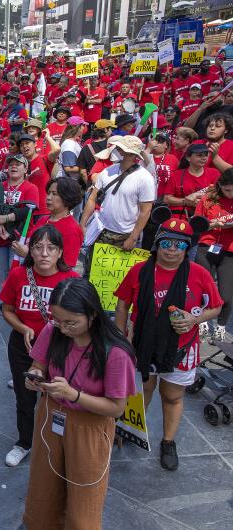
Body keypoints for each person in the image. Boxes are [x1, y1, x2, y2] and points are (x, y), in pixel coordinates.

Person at [23, 278, 136, 530]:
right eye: (58, 320)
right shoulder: (54, 330)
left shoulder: (115, 352)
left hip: (89, 429)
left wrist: (74, 395)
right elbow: (37, 364)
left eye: (71, 322)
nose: (63, 328)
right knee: (48, 485)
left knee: (85, 500)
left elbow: (116, 407)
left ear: (92, 314)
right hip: (51, 418)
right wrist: (35, 377)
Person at [115, 213, 222, 471]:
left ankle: (168, 441)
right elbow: (122, 304)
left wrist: (194, 318)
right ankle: (130, 429)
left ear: (188, 247)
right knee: (142, 390)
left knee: (172, 395)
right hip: (143, 344)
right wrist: (120, 338)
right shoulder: (140, 271)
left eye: (179, 244)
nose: (172, 250)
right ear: (157, 243)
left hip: (182, 347)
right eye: (166, 243)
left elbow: (216, 307)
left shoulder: (199, 273)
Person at [0, 226, 78, 468]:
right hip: (23, 346)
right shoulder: (18, 275)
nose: (44, 253)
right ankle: (24, 442)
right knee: (24, 396)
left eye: (51, 248)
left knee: (57, 396)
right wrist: (23, 328)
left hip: (60, 349)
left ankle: (57, 442)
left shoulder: (72, 280)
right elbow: (7, 310)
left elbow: (82, 317)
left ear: (60, 252)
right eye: (38, 247)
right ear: (30, 251)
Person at [80, 136, 155, 255]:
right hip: (100, 230)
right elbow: (92, 199)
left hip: (125, 234)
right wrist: (83, 224)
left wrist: (133, 238)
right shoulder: (108, 171)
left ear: (130, 154)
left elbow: (145, 211)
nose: (117, 151)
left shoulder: (145, 178)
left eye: (120, 148)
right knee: (92, 271)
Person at [0, 154, 41, 277]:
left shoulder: (31, 188)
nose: (13, 166)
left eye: (18, 164)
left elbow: (27, 210)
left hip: (19, 238)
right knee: (5, 272)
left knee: (15, 272)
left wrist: (6, 218)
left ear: (25, 169)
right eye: (11, 164)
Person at [194, 168, 233, 343]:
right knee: (202, 288)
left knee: (226, 294)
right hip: (207, 246)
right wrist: (210, 224)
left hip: (229, 250)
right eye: (228, 190)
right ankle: (200, 321)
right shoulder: (208, 199)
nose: (231, 194)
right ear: (220, 186)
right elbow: (196, 223)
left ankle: (221, 326)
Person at [16, 178, 84, 269]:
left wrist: (28, 255)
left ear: (67, 198)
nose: (48, 197)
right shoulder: (43, 220)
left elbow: (67, 265)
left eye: (54, 194)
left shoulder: (72, 229)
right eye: (48, 193)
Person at [161, 143, 220, 217]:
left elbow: (220, 196)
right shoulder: (177, 175)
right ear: (188, 158)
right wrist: (186, 201)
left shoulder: (214, 173)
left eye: (206, 155)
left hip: (206, 216)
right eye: (199, 155)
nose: (204, 158)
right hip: (180, 216)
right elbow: (167, 199)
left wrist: (203, 201)